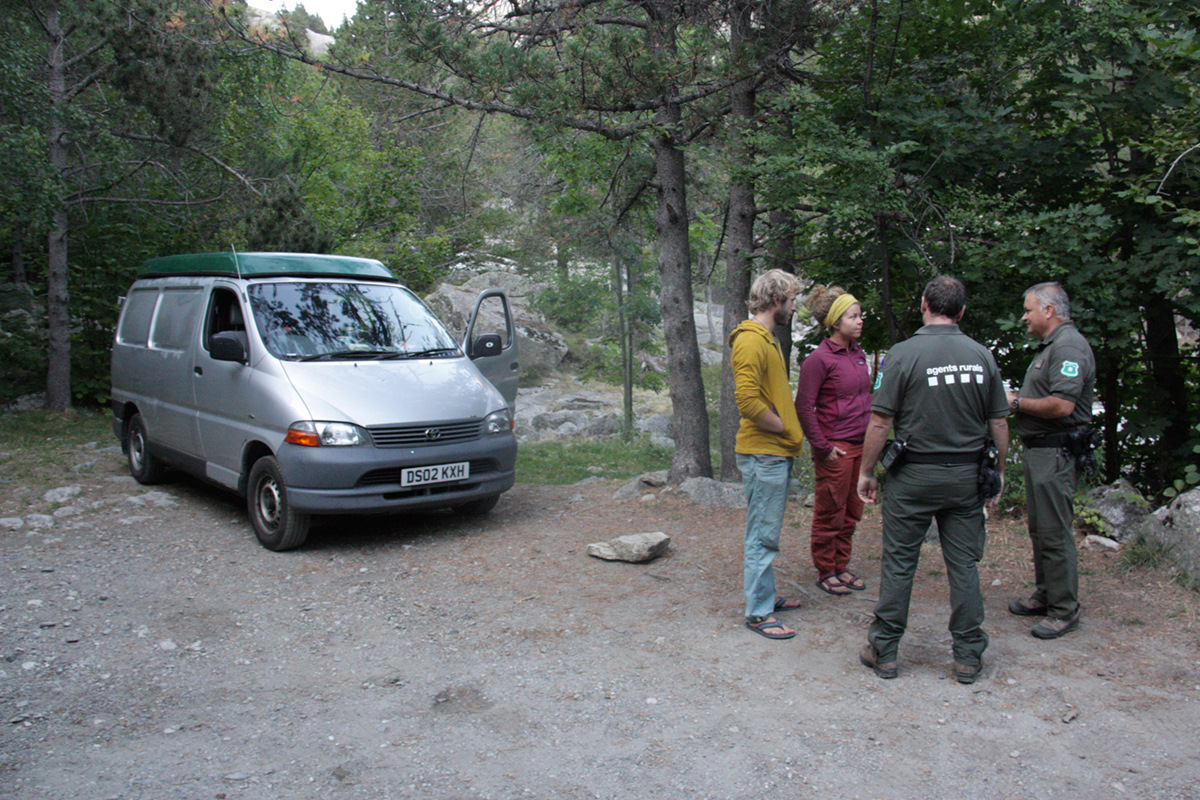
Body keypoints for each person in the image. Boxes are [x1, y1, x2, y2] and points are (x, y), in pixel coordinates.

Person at [856, 276, 1009, 683]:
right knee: (964, 565)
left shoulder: (903, 355)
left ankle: (884, 650)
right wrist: (999, 472)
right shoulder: (982, 356)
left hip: (913, 475)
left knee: (900, 562)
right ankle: (967, 655)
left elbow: (880, 419)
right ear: (962, 311)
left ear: (924, 303)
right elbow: (998, 420)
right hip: (965, 475)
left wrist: (867, 472)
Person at [1006, 282, 1096, 639]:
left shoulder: (1070, 347)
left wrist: (1016, 403)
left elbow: (1062, 405)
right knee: (1040, 528)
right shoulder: (1051, 347)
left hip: (1056, 452)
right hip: (1039, 451)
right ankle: (1046, 594)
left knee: (1055, 531)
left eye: (1029, 309)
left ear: (1049, 310)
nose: (1024, 317)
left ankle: (1064, 609)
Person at [730, 269, 806, 640]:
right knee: (762, 535)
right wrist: (784, 428)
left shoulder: (766, 338)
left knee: (766, 532)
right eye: (792, 299)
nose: (794, 307)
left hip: (773, 453)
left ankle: (765, 597)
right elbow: (746, 401)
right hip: (764, 454)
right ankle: (758, 613)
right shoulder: (750, 341)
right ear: (776, 299)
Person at [795, 285, 872, 596]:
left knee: (853, 511)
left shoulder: (859, 355)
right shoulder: (819, 360)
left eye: (860, 315)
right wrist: (823, 448)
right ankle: (825, 569)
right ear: (835, 322)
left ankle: (842, 565)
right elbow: (803, 406)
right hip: (835, 449)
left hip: (861, 446)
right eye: (853, 317)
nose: (860, 321)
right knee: (830, 511)